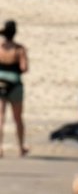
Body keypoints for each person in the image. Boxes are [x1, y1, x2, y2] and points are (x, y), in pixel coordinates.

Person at [0, 20, 29, 158]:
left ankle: (0, 148)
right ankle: (21, 147)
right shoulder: (19, 49)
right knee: (18, 118)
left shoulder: (0, 47)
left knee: (1, 117)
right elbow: (24, 68)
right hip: (15, 84)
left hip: (0, 83)